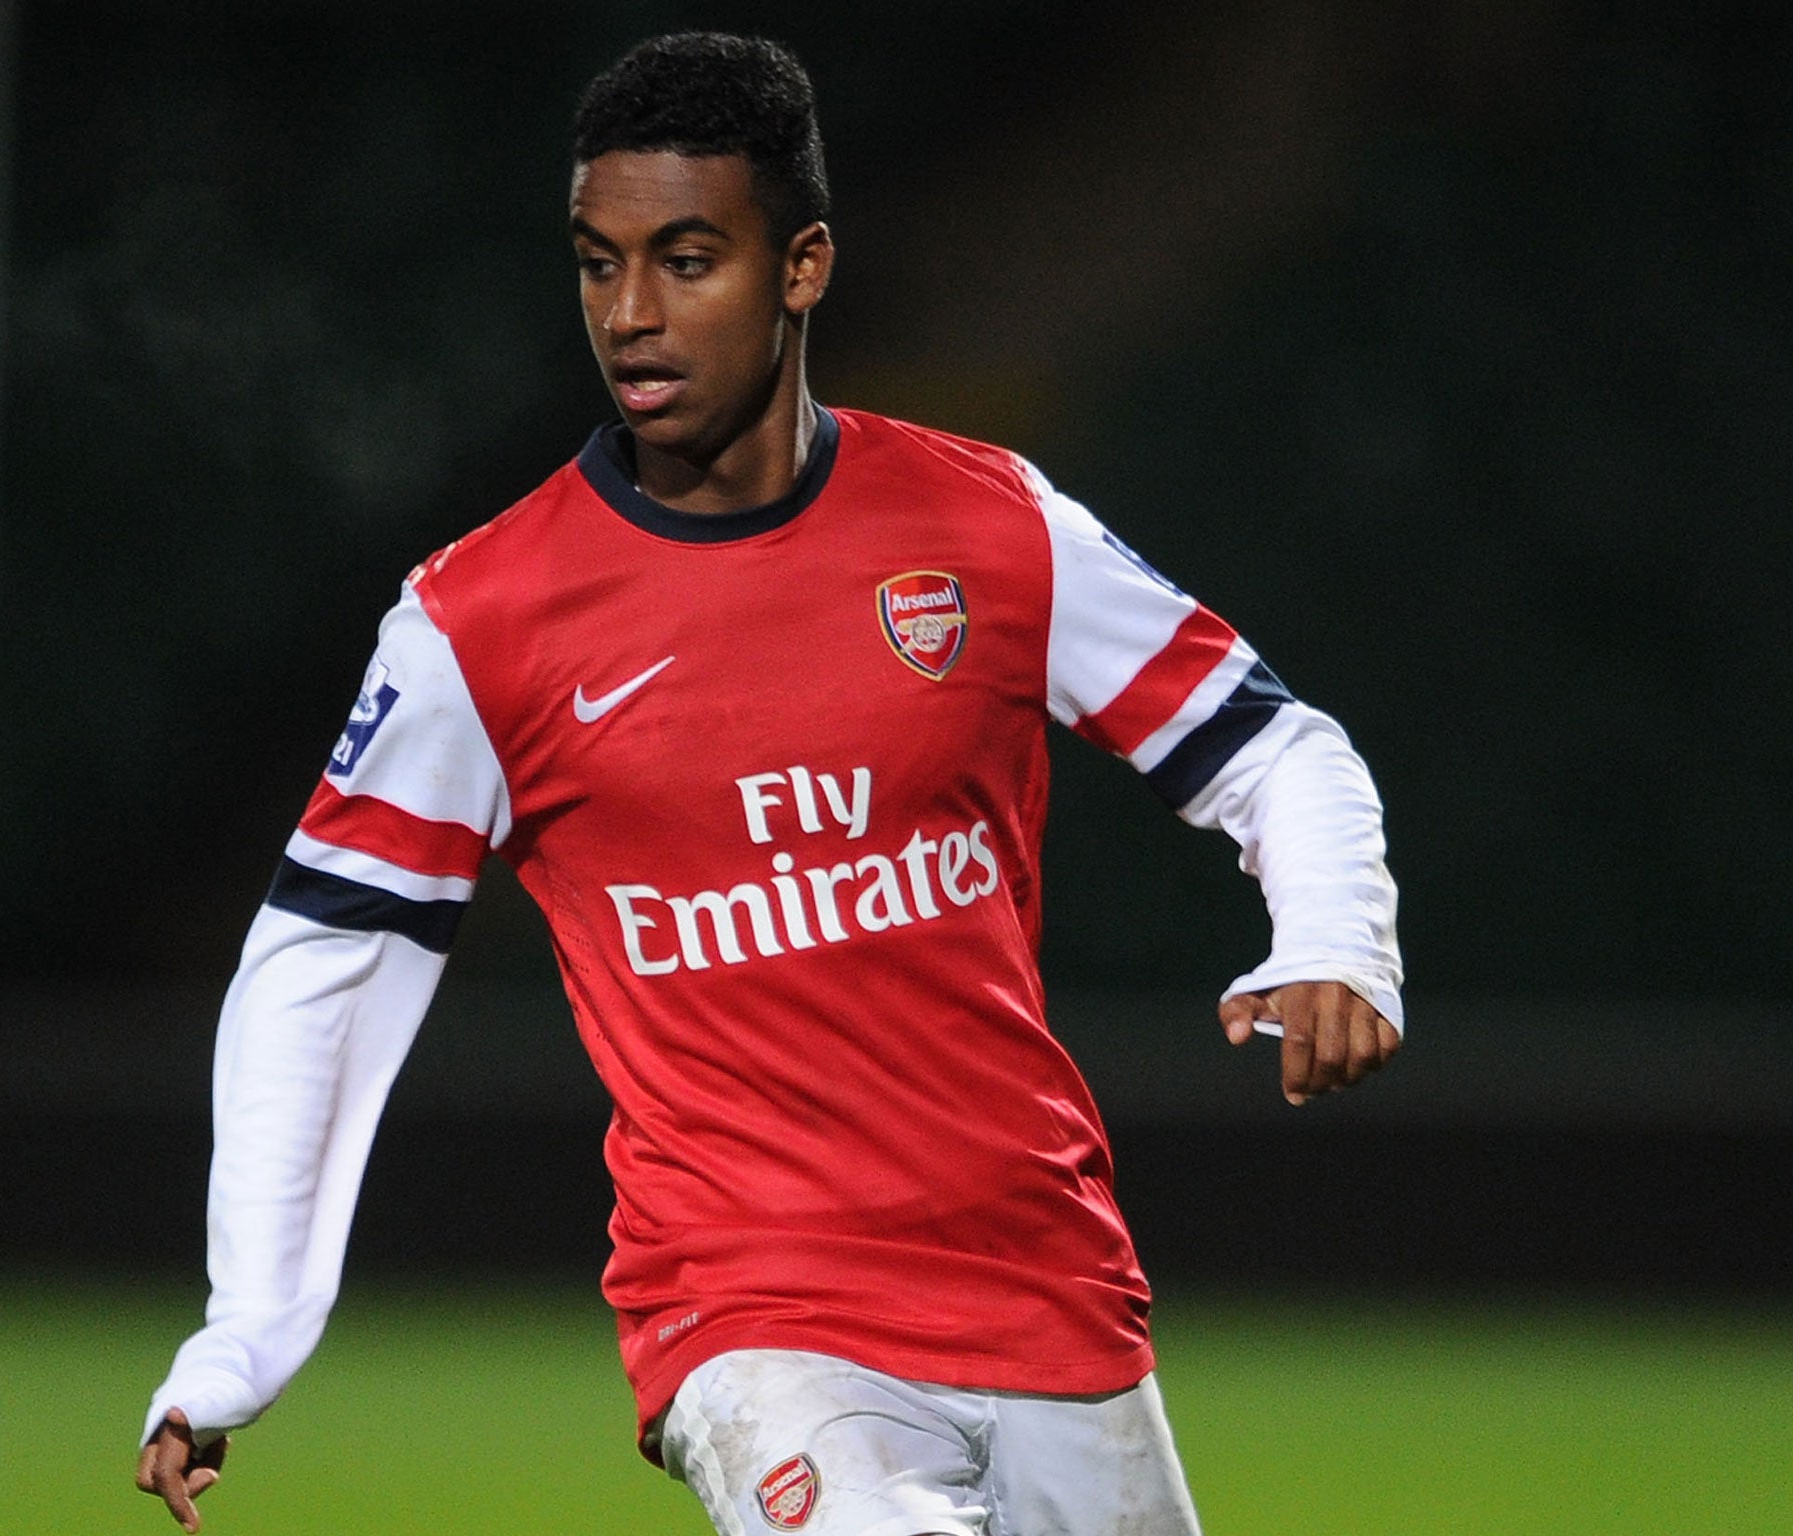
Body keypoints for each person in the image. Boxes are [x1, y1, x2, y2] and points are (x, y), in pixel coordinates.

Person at [135, 31, 1402, 1536]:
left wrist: (1334, 935)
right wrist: (250, 1328)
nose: (633, 315)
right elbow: (328, 955)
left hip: (1053, 1295)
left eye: (687, 260)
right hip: (760, 1323)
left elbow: (1274, 747)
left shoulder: (989, 528)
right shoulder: (483, 620)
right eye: (599, 264)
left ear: (802, 266)